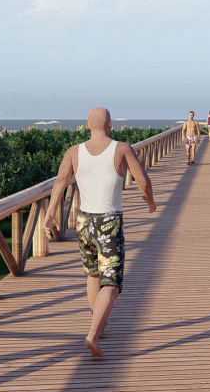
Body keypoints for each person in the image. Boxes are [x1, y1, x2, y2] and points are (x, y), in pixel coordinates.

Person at [44, 107, 156, 358]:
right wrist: (150, 202)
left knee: (93, 274)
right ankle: (93, 335)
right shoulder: (121, 148)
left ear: (86, 125)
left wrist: (51, 212)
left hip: (84, 222)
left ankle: (99, 326)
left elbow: (60, 181)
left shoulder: (74, 152)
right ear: (111, 125)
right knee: (112, 282)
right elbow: (143, 181)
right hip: (108, 222)